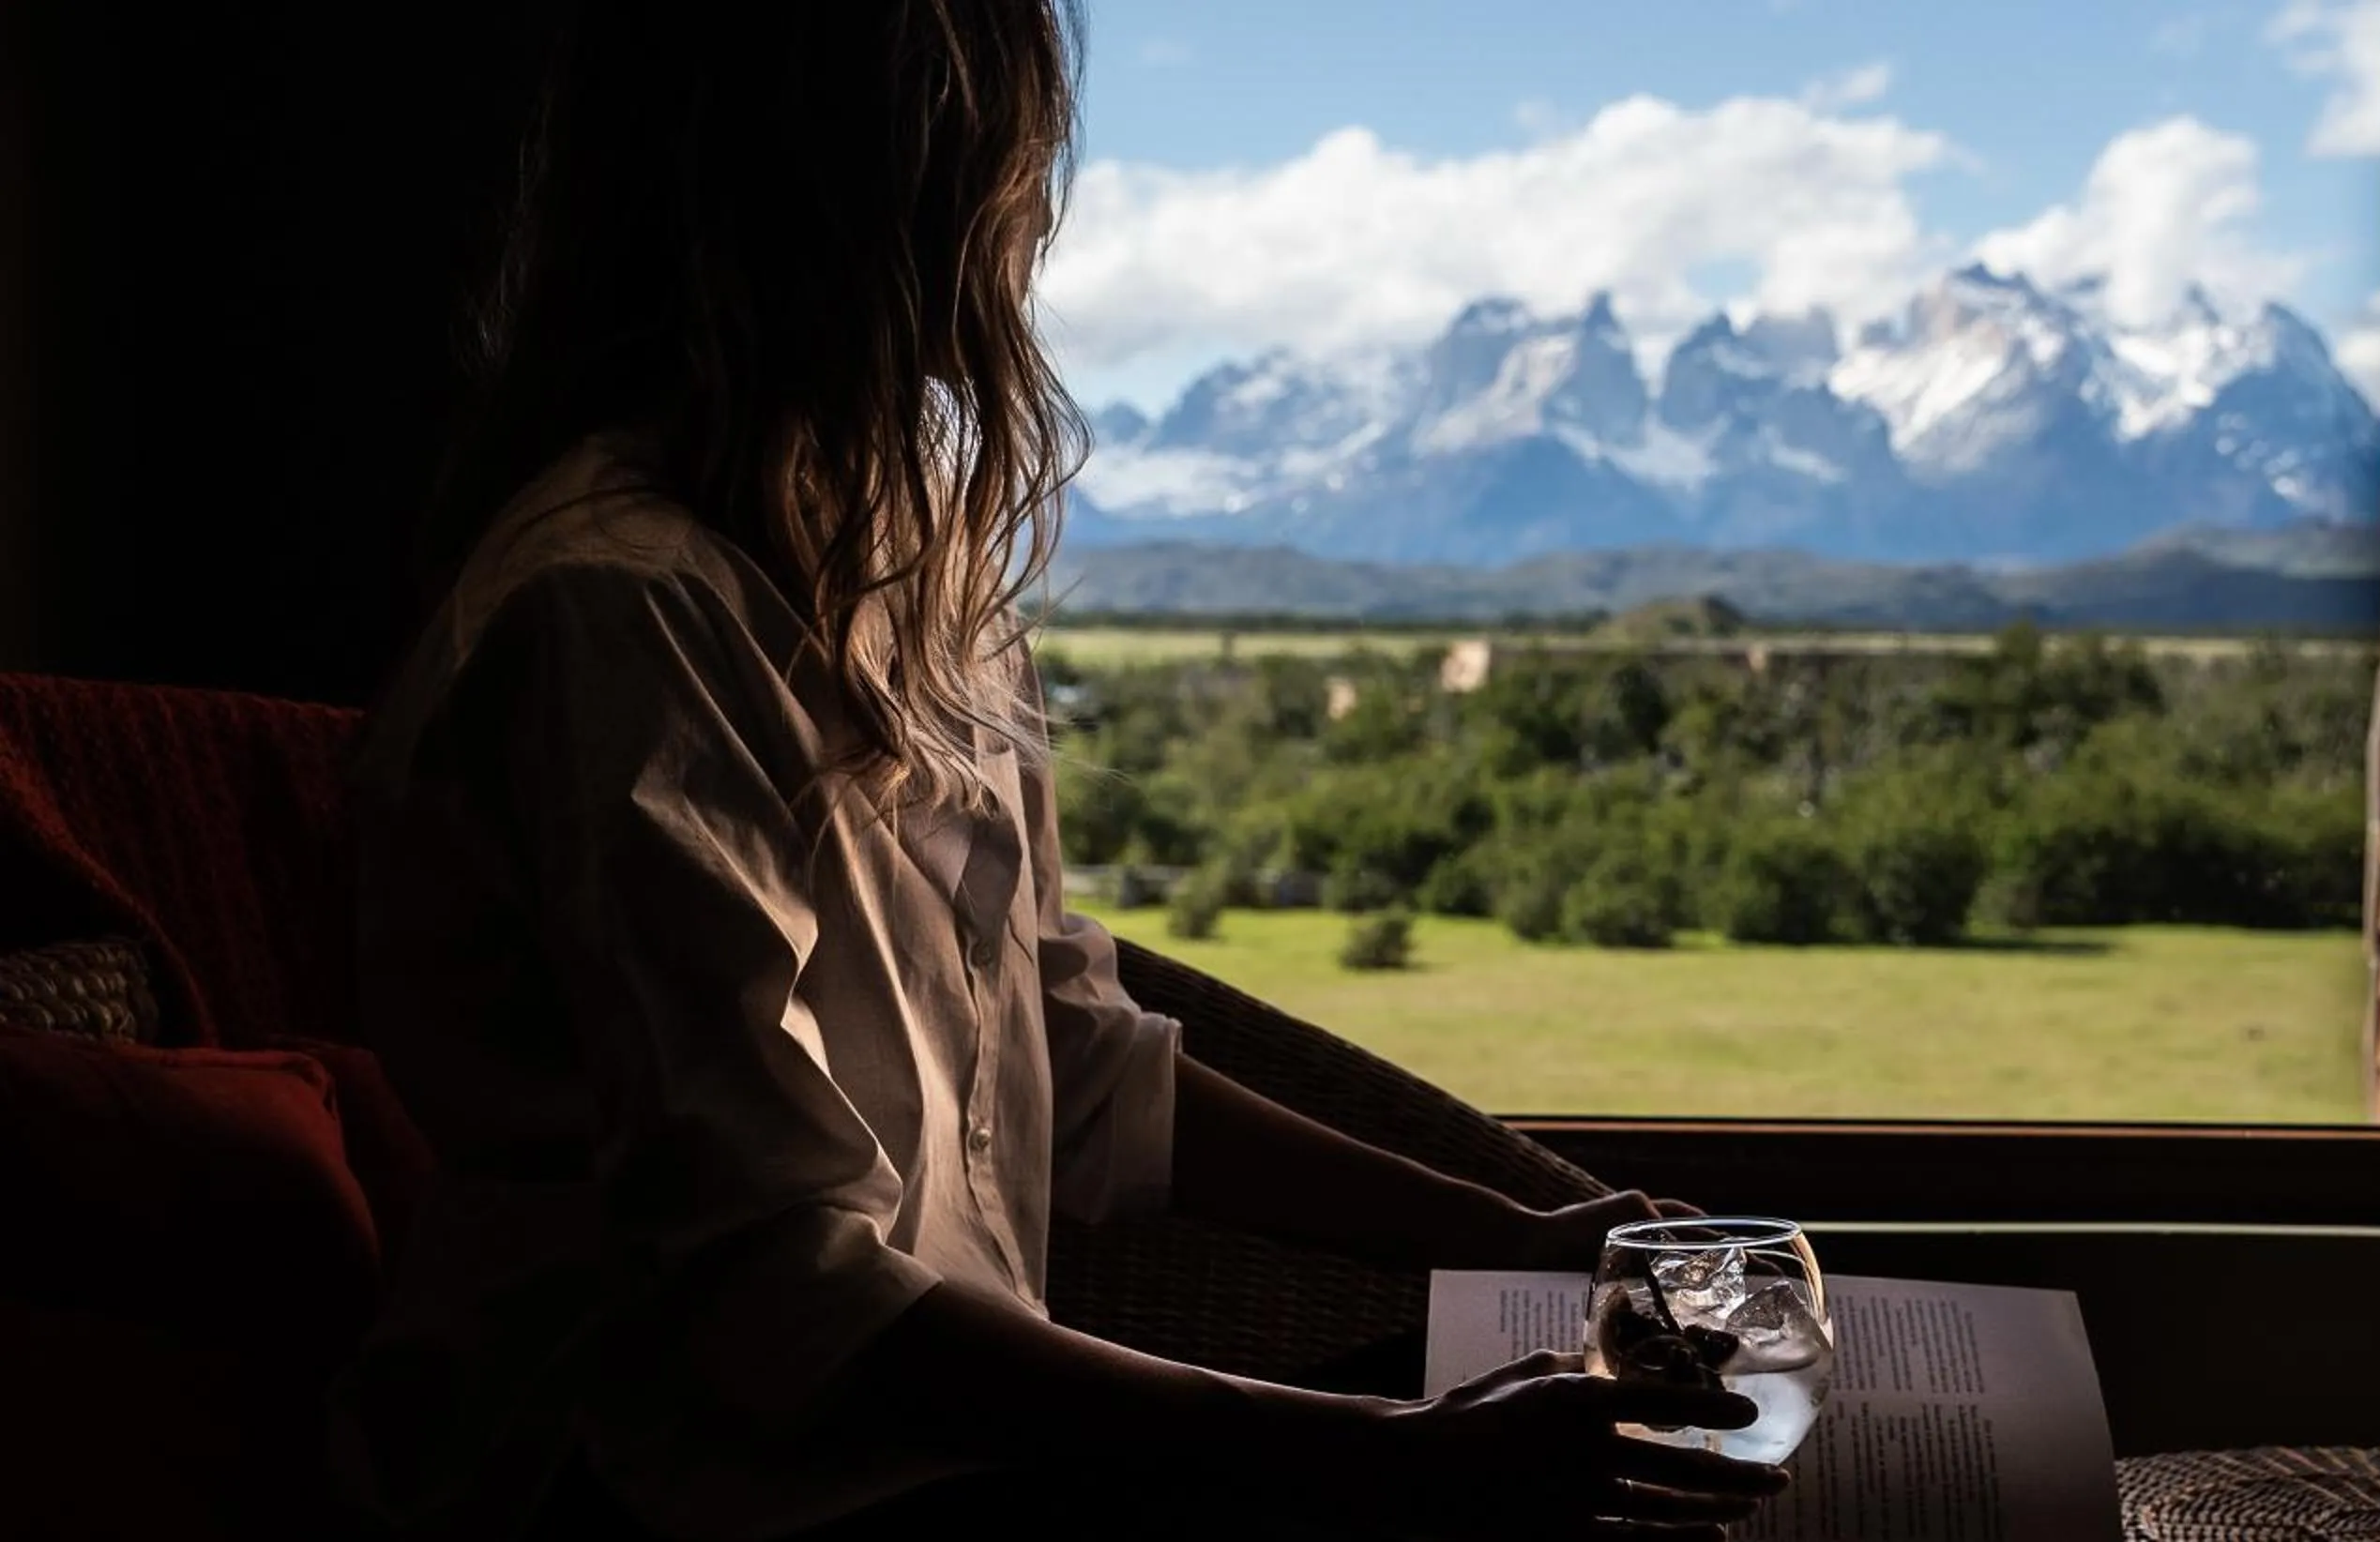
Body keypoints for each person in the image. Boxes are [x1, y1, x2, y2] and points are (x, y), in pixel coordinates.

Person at [330, 4, 1790, 1538]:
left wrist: (1528, 1236)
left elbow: (1068, 1059)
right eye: (1015, 160)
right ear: (895, 190)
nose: (1031, 219)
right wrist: (1384, 1454)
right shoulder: (621, 616)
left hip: (933, 1458)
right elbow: (778, 1290)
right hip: (677, 1498)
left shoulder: (913, 584)